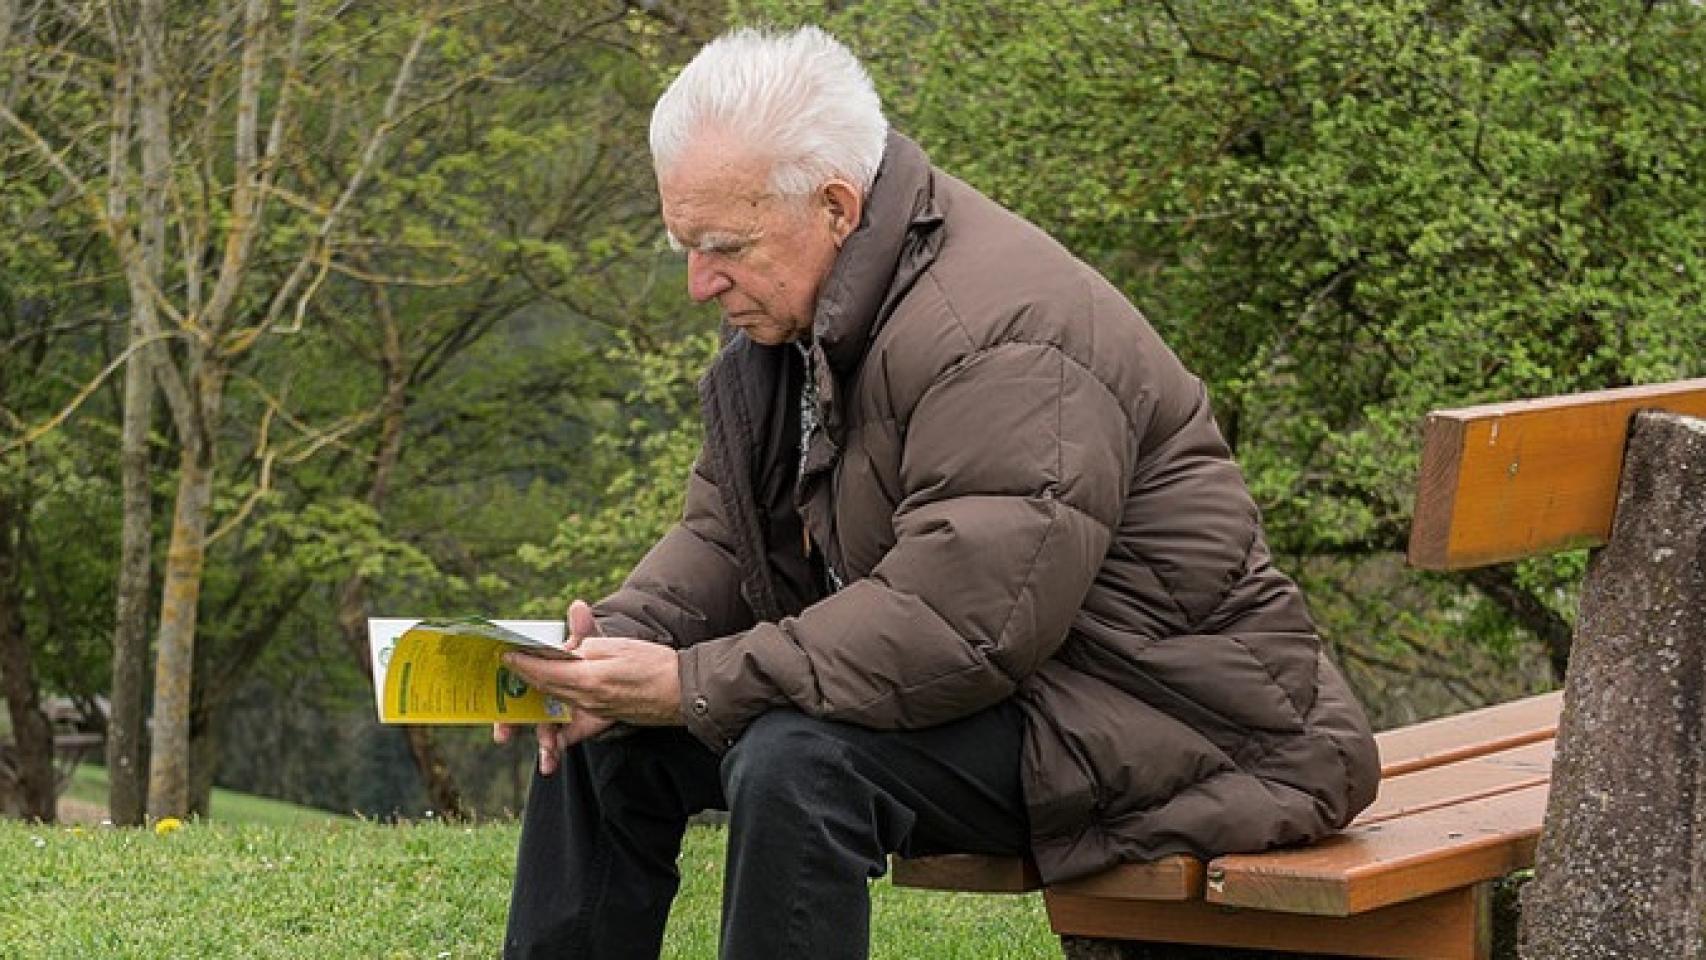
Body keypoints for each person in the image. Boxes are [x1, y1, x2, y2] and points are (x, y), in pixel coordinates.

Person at [495, 25, 1379, 960]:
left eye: (723, 247)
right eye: (683, 243)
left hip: (1166, 720)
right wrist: (615, 648)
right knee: (605, 732)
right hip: (1014, 689)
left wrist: (687, 682)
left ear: (836, 206)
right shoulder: (798, 309)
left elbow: (959, 630)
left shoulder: (1006, 338)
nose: (697, 282)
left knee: (797, 762)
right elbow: (726, 536)